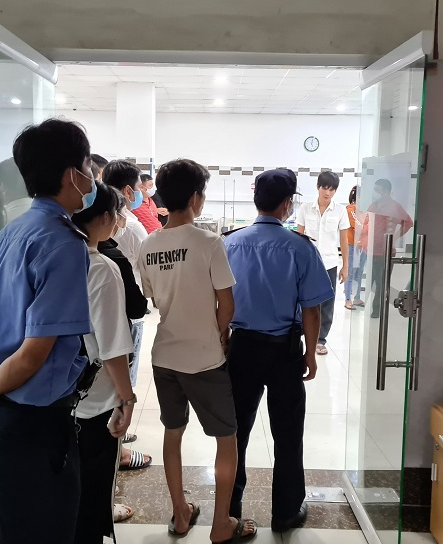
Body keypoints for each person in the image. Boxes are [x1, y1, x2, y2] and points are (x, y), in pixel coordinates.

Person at [0, 118, 103, 544]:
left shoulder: (4, 238)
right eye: (88, 165)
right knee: (44, 529)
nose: (92, 177)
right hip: (34, 423)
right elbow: (33, 354)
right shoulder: (63, 244)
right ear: (72, 174)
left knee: (8, 528)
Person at [138, 159, 257, 543]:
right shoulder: (208, 242)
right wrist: (219, 335)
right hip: (204, 359)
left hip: (164, 356)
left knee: (173, 433)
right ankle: (222, 523)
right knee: (226, 438)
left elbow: (152, 297)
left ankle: (181, 513)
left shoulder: (148, 245)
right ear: (195, 198)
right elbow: (227, 305)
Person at [224, 169, 334, 533]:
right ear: (287, 204)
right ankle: (286, 512)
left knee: (235, 431)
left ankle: (230, 509)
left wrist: (223, 340)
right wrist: (309, 354)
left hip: (241, 348)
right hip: (284, 350)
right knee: (287, 432)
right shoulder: (300, 248)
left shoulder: (230, 243)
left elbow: (218, 302)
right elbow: (312, 309)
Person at [71, 182, 138, 543]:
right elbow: (112, 346)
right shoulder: (101, 268)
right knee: (93, 493)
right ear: (101, 217)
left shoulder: (54, 257)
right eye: (115, 212)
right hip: (93, 401)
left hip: (56, 396)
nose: (118, 219)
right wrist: (126, 398)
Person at [101, 160, 152, 458]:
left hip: (109, 310)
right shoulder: (129, 225)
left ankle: (114, 434)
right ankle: (117, 445)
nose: (143, 194)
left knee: (106, 376)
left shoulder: (103, 219)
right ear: (129, 191)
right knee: (123, 379)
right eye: (140, 188)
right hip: (127, 310)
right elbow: (147, 268)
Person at [295, 171, 350, 355]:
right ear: (318, 187)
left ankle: (321, 339)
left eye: (332, 189)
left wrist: (345, 266)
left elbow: (344, 240)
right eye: (325, 188)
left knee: (327, 302)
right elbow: (299, 236)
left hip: (329, 263)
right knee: (305, 299)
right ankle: (302, 333)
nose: (328, 192)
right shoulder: (305, 208)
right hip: (308, 263)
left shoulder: (340, 210)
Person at [358, 178, 414, 318]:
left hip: (385, 252)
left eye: (378, 190)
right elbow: (366, 224)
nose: (375, 192)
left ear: (386, 192)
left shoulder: (395, 207)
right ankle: (368, 307)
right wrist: (362, 241)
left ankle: (377, 310)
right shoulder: (373, 206)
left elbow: (408, 222)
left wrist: (395, 237)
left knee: (382, 283)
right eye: (374, 189)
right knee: (371, 281)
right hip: (371, 251)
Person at [344, 185, 365, 310]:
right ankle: (348, 299)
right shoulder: (350, 209)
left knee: (360, 272)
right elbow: (358, 226)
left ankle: (357, 297)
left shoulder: (363, 211)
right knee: (350, 272)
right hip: (351, 244)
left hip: (363, 245)